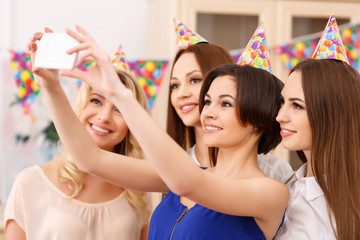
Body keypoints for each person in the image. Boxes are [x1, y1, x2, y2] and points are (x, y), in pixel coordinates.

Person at [39, 25, 289, 239]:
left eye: (225, 103)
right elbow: (90, 159)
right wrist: (51, 87)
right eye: (208, 101)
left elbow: (188, 183)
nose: (208, 112)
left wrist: (121, 95)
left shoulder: (270, 193)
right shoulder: (185, 174)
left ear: (258, 117)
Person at [4, 29, 151, 240]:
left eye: (119, 108)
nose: (104, 116)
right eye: (96, 101)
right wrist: (50, 85)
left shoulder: (139, 191)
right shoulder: (29, 183)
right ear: (80, 105)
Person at [168, 19, 293, 182]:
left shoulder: (273, 172)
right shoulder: (175, 166)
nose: (181, 94)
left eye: (195, 80)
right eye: (174, 85)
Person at [275, 58, 360, 240]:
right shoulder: (283, 185)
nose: (280, 116)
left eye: (297, 106)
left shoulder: (349, 207)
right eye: (282, 102)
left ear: (333, 114)